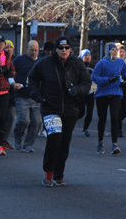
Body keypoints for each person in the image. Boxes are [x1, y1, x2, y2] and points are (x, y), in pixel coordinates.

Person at [27, 36, 92, 186]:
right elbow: (32, 80)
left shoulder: (77, 63)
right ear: (55, 50)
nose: (64, 51)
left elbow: (87, 83)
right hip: (50, 108)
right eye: (61, 48)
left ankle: (59, 174)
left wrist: (77, 90)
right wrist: (37, 95)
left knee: (64, 143)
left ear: (70, 49)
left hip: (71, 110)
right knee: (54, 139)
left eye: (67, 48)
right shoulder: (44, 63)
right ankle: (48, 173)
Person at [91, 43, 126, 155]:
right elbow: (94, 77)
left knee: (114, 118)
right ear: (108, 51)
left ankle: (114, 145)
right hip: (102, 94)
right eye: (113, 50)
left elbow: (125, 72)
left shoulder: (120, 62)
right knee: (102, 119)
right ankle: (100, 142)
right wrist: (108, 80)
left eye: (116, 50)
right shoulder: (102, 63)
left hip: (116, 93)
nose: (115, 51)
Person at [12, 40, 41, 153]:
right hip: (21, 95)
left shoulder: (41, 62)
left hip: (36, 97)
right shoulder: (19, 60)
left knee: (36, 122)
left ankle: (28, 144)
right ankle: (18, 137)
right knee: (24, 120)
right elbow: (11, 73)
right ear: (26, 49)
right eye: (31, 50)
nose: (33, 52)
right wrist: (14, 84)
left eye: (35, 50)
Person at [79, 49, 95, 138]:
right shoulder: (79, 66)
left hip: (90, 92)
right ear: (82, 57)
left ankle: (85, 129)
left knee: (90, 112)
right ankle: (70, 122)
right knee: (81, 112)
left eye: (89, 55)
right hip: (81, 93)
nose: (88, 57)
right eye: (85, 56)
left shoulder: (93, 66)